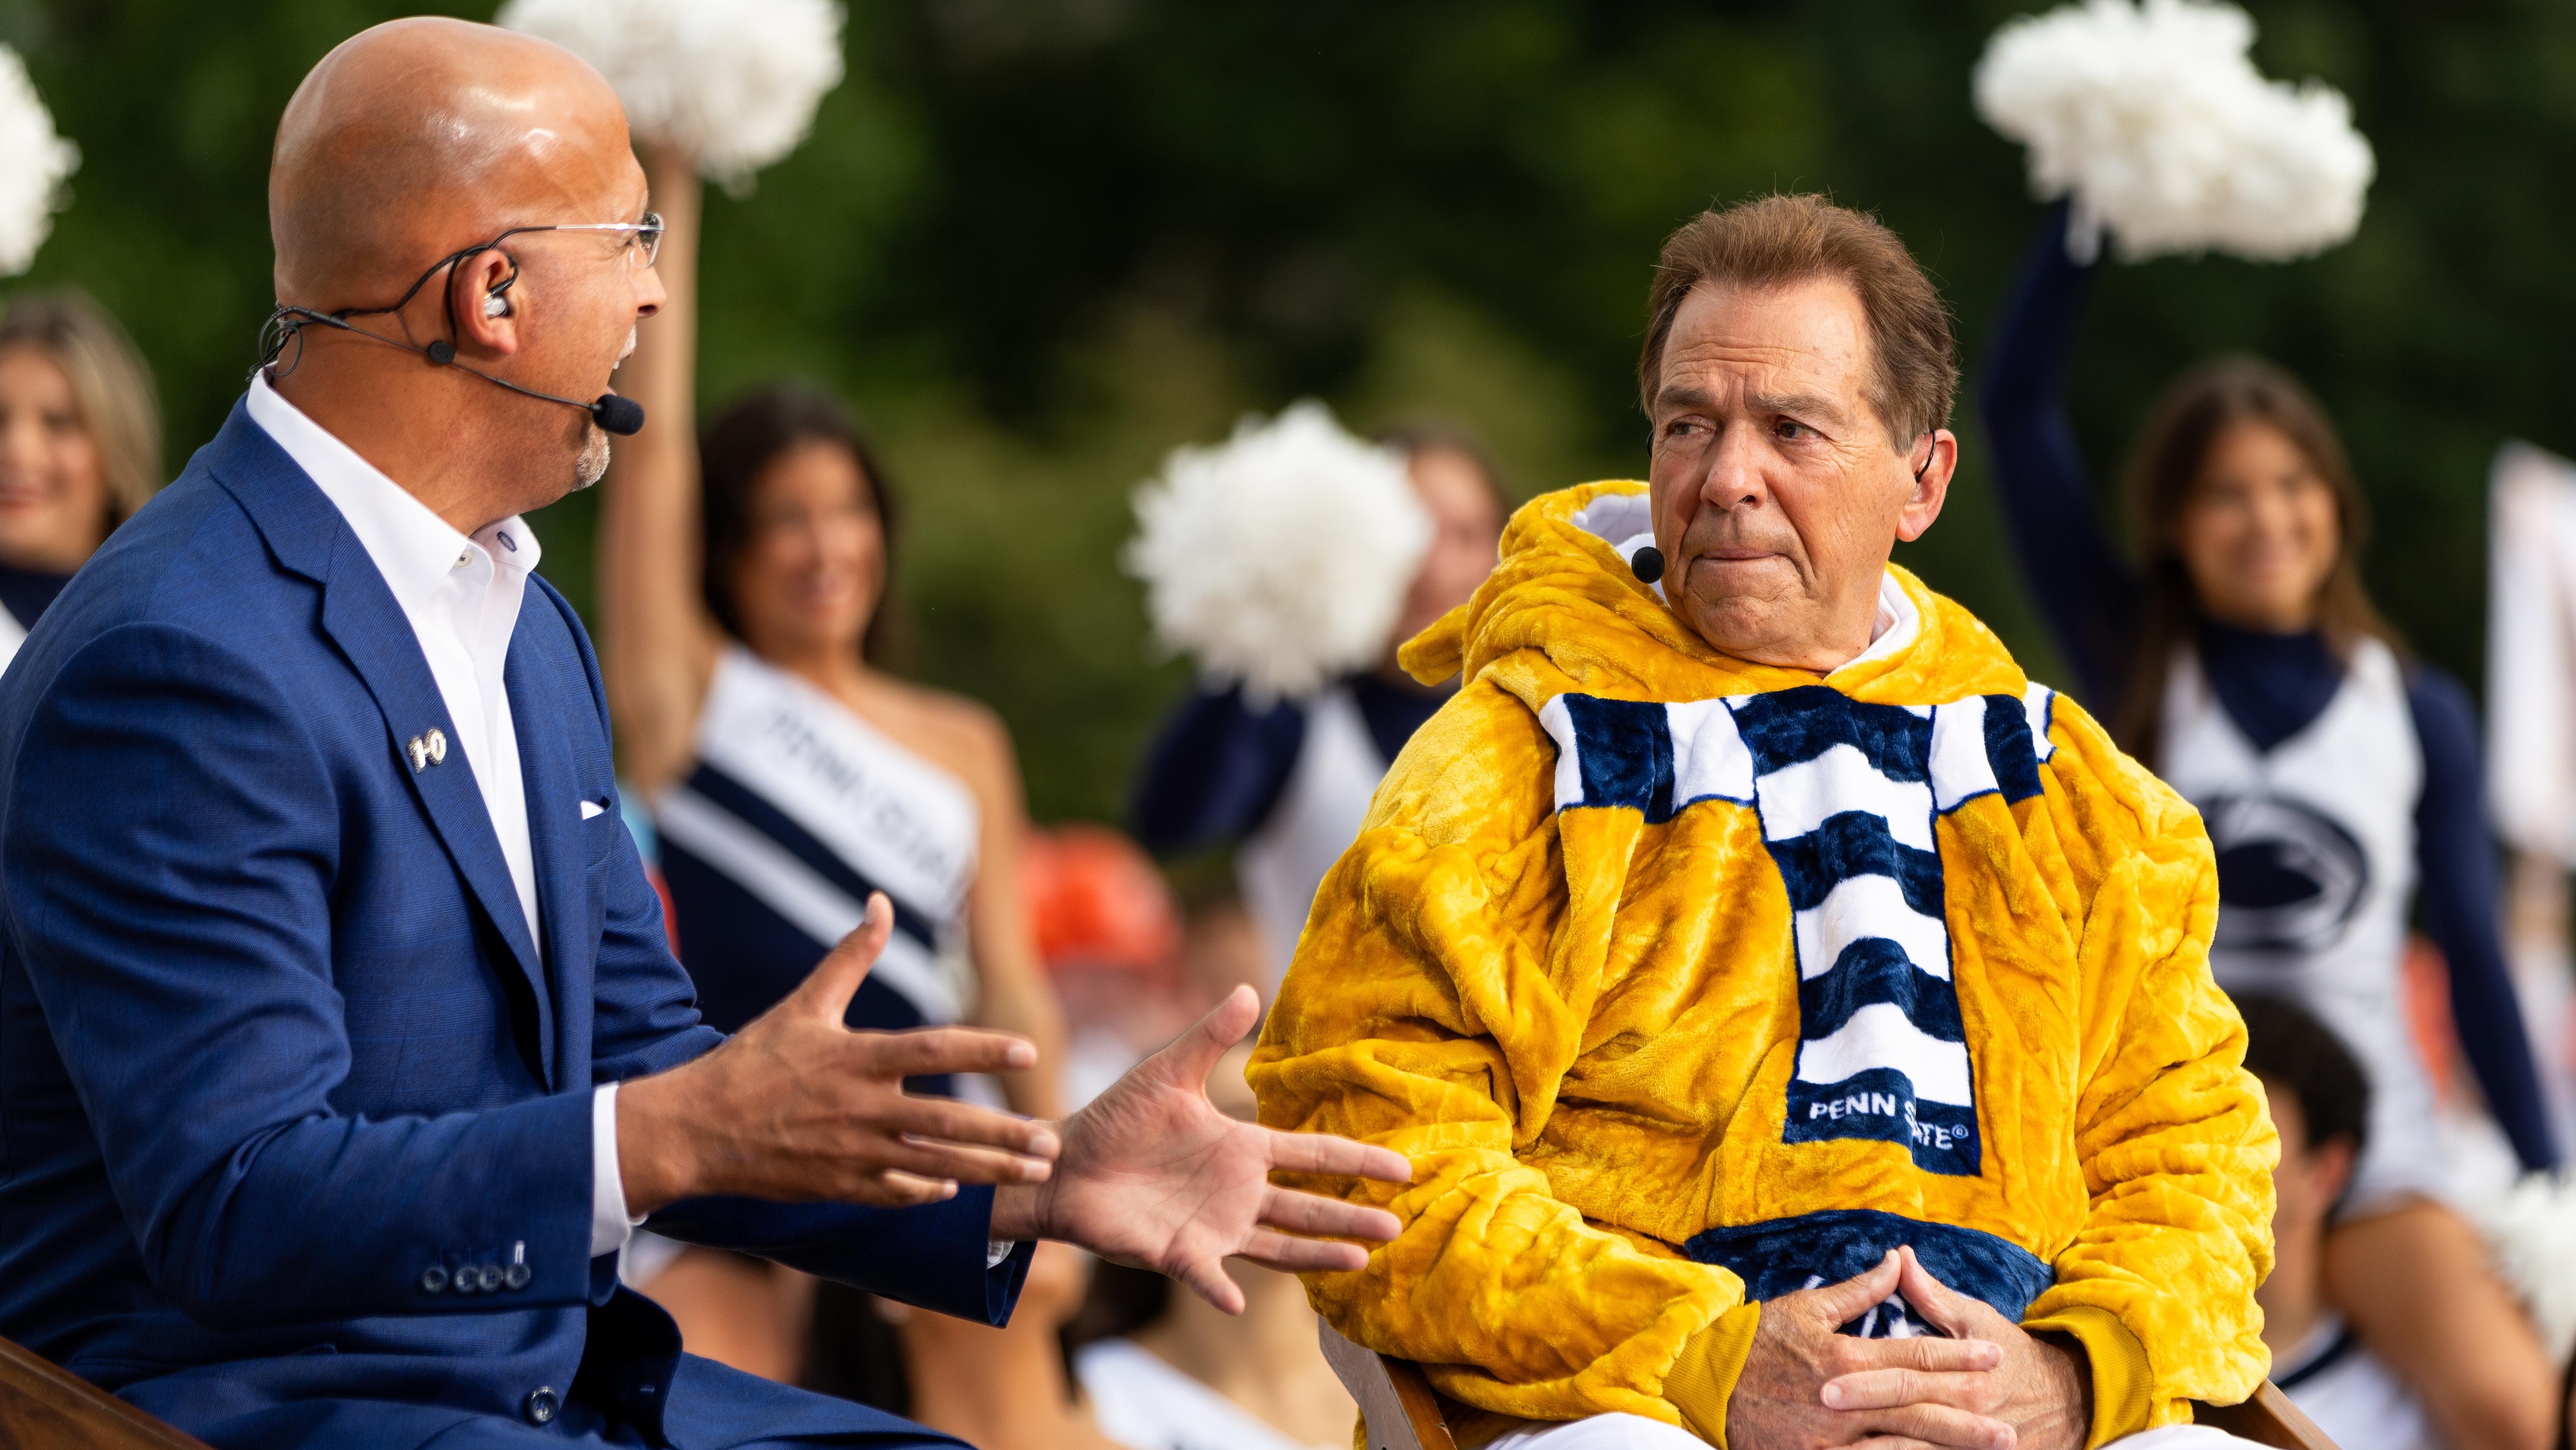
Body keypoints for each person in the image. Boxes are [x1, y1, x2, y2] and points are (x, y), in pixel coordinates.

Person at [0, 19, 1408, 1450]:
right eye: (634, 237)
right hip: (258, 1409)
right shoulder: (176, 655)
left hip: (549, 1389)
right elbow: (237, 1199)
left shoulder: (527, 623)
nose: (658, 292)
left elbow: (658, 1058)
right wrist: (669, 1134)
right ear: (493, 293)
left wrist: (1032, 1183)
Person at [1252, 193, 2281, 1450]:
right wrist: (1701, 1355)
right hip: (1636, 1400)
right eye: (1691, 425)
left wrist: (2072, 1371)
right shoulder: (1509, 751)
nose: (1728, 478)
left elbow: (2194, 1157)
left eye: (1792, 429)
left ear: (1921, 480)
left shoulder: (2072, 788)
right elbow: (1365, 1147)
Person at [1981, 198, 2562, 1450]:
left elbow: (2470, 954)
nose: (2264, 519)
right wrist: (2093, 199)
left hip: (2372, 1148)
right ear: (2176, 528)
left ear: (2336, 504)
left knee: (2515, 1409)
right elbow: (2017, 417)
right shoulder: (2136, 657)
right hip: (2172, 1148)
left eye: (2291, 484)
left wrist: (2544, 1176)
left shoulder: (2415, 708)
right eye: (2225, 495)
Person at [594, 131, 1072, 1414]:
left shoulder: (967, 739)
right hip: (751, 1179)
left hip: (938, 1170)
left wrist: (1058, 1173)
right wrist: (670, 185)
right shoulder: (691, 695)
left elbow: (1020, 993)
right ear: (729, 547)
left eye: (846, 509)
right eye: (784, 517)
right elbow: (653, 453)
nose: (823, 547)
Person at [1129, 423, 1506, 987]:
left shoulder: (1538, 712)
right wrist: (1262, 625)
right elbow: (1167, 824)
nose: (1435, 567)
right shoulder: (1293, 710)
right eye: (1412, 532)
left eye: (1466, 535)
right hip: (1325, 1070)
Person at [1071, 1046, 1355, 1450]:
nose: (1285, 1148)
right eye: (1243, 1120)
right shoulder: (1096, 1396)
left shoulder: (1418, 1389)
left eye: (1302, 1117)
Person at [2231, 993, 2440, 1450]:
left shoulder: (2404, 1415)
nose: (2203, 1155)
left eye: (2243, 1133)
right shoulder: (2125, 1371)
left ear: (2324, 1173)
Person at [0, 289, 162, 667]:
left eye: (58, 422)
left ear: (118, 452)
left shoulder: (165, 634)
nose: (18, 450)